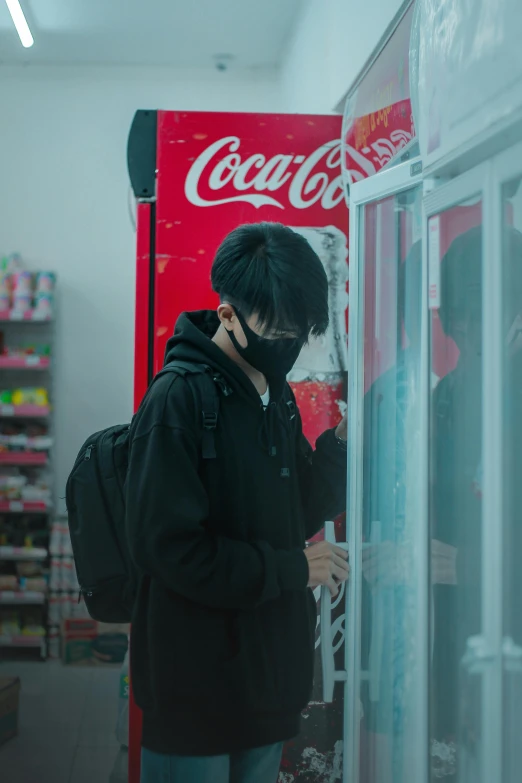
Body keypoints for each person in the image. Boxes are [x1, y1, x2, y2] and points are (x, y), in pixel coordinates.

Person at [125, 222, 350, 783]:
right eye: (277, 331)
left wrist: (342, 446)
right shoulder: (178, 398)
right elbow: (169, 551)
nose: (290, 346)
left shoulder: (272, 396)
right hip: (195, 687)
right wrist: (292, 567)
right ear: (228, 316)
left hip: (265, 681)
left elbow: (297, 509)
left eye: (301, 332)